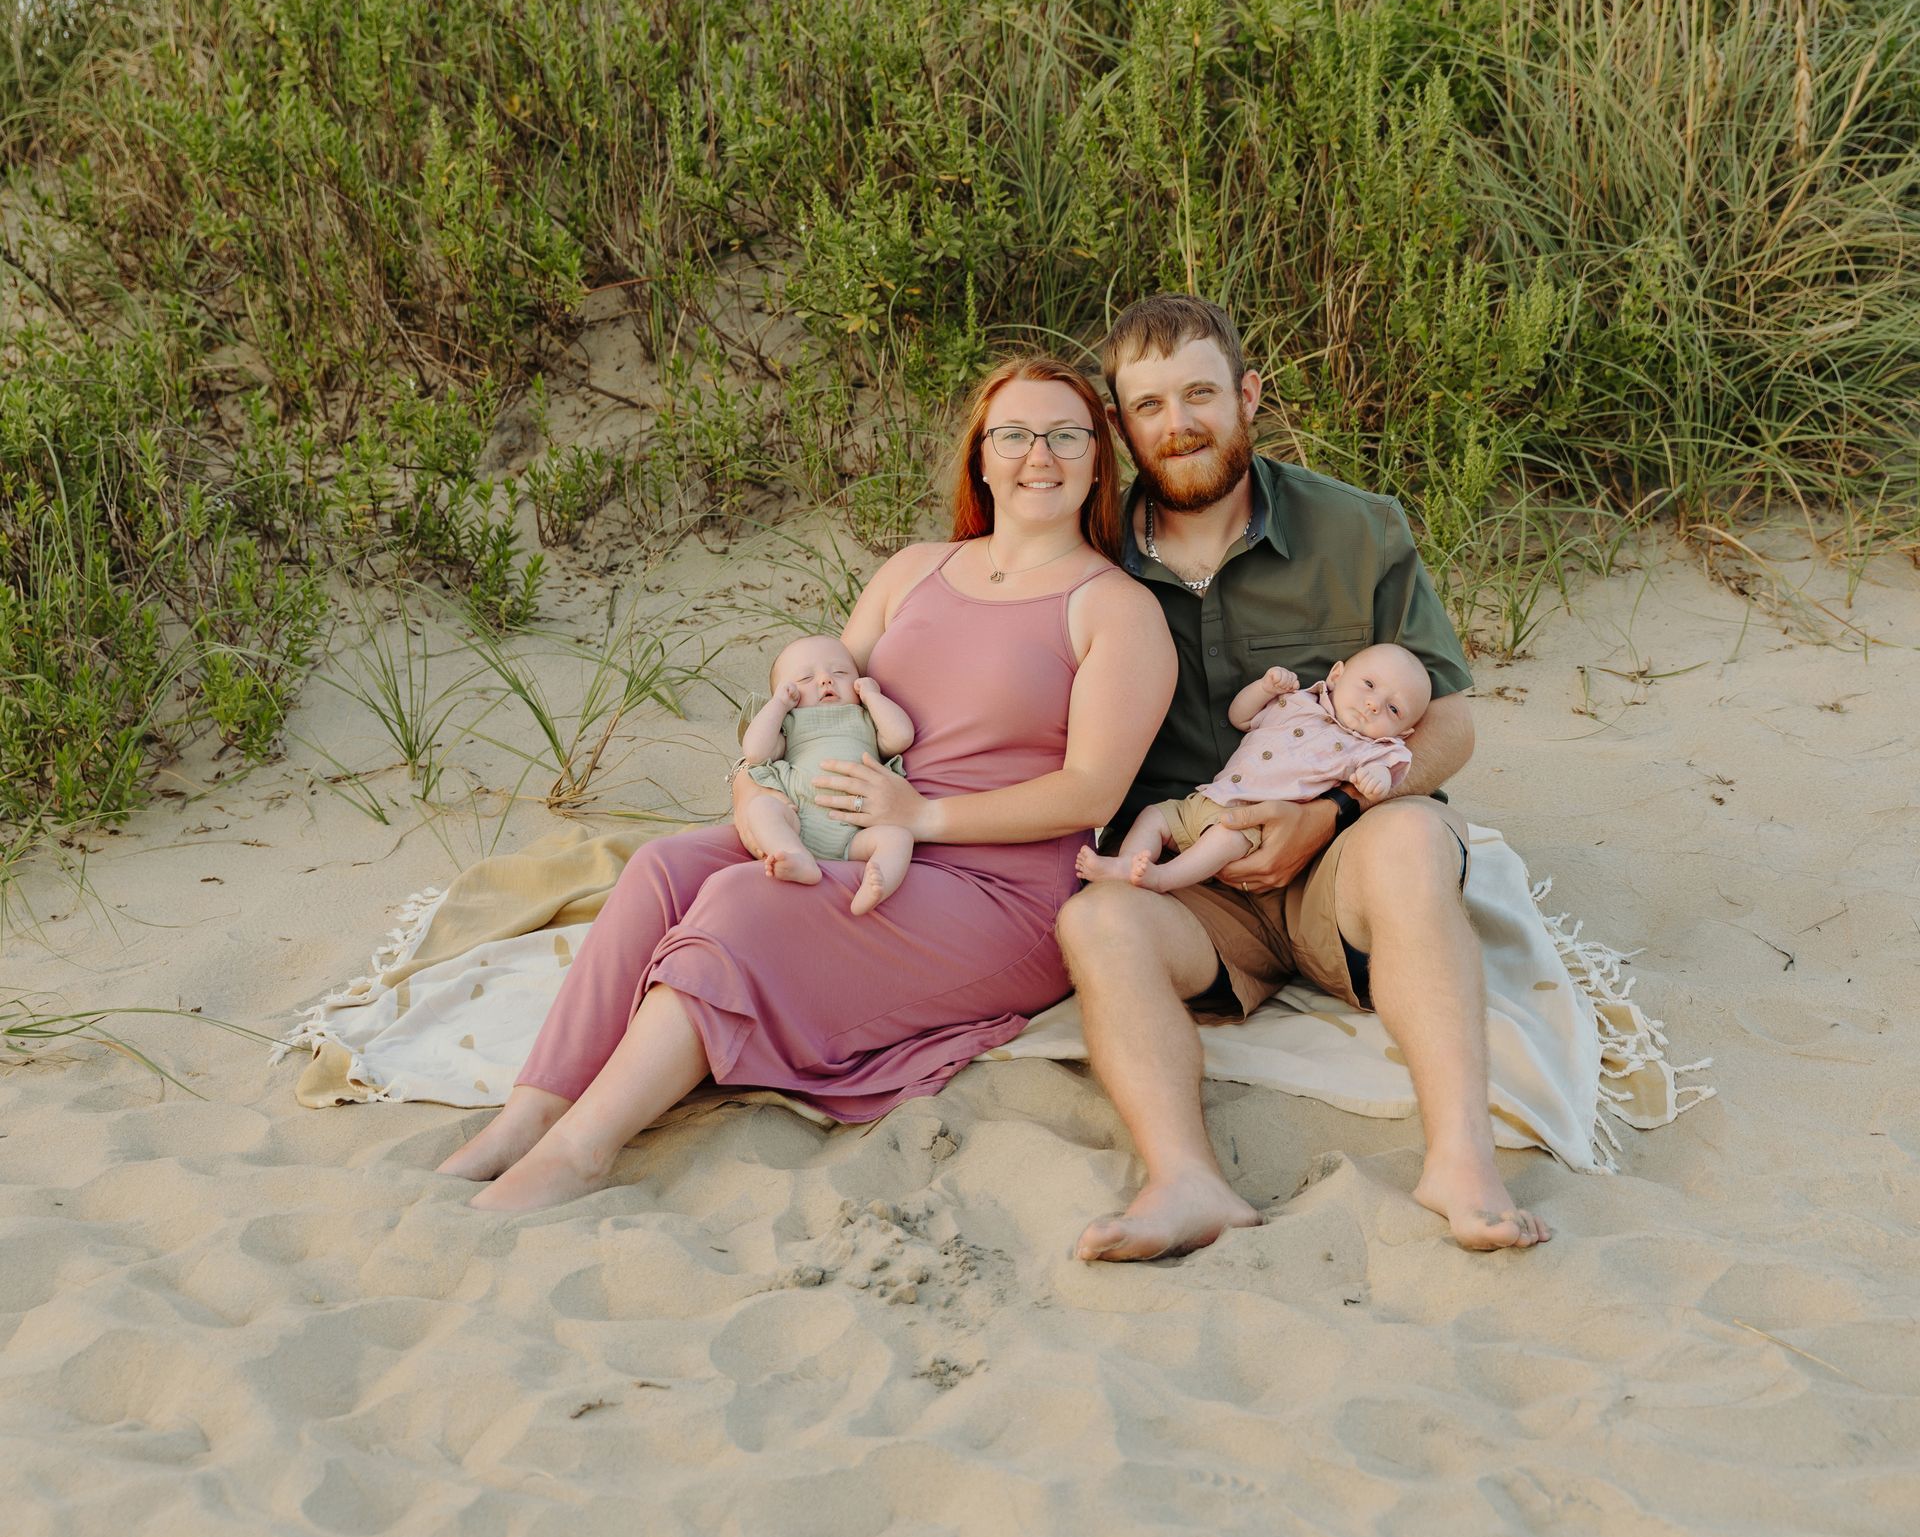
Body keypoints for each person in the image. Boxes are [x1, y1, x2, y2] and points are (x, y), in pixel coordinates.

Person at [439, 359, 1175, 1214]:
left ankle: (585, 1148)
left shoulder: (1114, 608)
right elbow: (806, 700)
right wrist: (753, 790)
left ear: (1096, 462)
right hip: (839, 826)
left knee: (747, 905)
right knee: (666, 867)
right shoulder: (914, 570)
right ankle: (530, 1116)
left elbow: (1091, 793)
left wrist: (921, 813)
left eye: (1064, 436)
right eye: (1013, 435)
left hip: (996, 888)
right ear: (981, 456)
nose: (1036, 456)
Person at [1056, 294, 1551, 1262]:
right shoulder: (1080, 555)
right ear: (1118, 424)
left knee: (1412, 837)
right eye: (1148, 405)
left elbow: (1449, 720)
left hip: (1343, 868)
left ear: (1247, 396)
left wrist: (1329, 813)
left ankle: (1460, 1161)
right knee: (1094, 919)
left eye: (1200, 393)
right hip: (1197, 892)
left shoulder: (1357, 528)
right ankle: (1185, 1180)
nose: (1179, 423)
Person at [1075, 642, 1429, 896]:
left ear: (1405, 732)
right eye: (1369, 684)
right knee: (1154, 815)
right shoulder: (1296, 701)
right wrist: (1263, 688)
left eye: (1393, 710)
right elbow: (1240, 717)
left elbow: (1386, 776)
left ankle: (1163, 877)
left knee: (1224, 838)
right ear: (1337, 674)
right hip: (1208, 798)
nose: (1373, 704)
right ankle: (1128, 863)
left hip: (1252, 823)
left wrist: (1377, 778)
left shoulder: (1372, 747)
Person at [736, 631, 918, 915]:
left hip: (856, 831)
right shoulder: (790, 723)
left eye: (840, 672)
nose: (825, 680)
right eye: (805, 679)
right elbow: (756, 752)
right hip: (799, 816)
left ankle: (877, 884)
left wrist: (872, 697)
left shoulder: (866, 717)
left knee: (899, 838)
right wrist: (778, 705)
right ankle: (796, 856)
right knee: (761, 807)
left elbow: (901, 737)